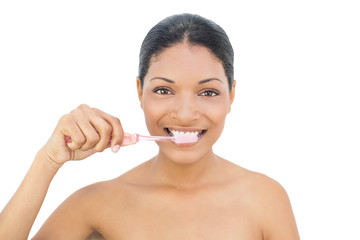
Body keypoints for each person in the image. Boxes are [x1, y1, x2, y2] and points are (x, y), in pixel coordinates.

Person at [0, 13, 300, 239]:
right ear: (139, 91)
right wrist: (47, 160)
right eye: (164, 90)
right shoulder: (95, 204)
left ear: (231, 95)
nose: (185, 114)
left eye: (208, 92)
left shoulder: (266, 198)